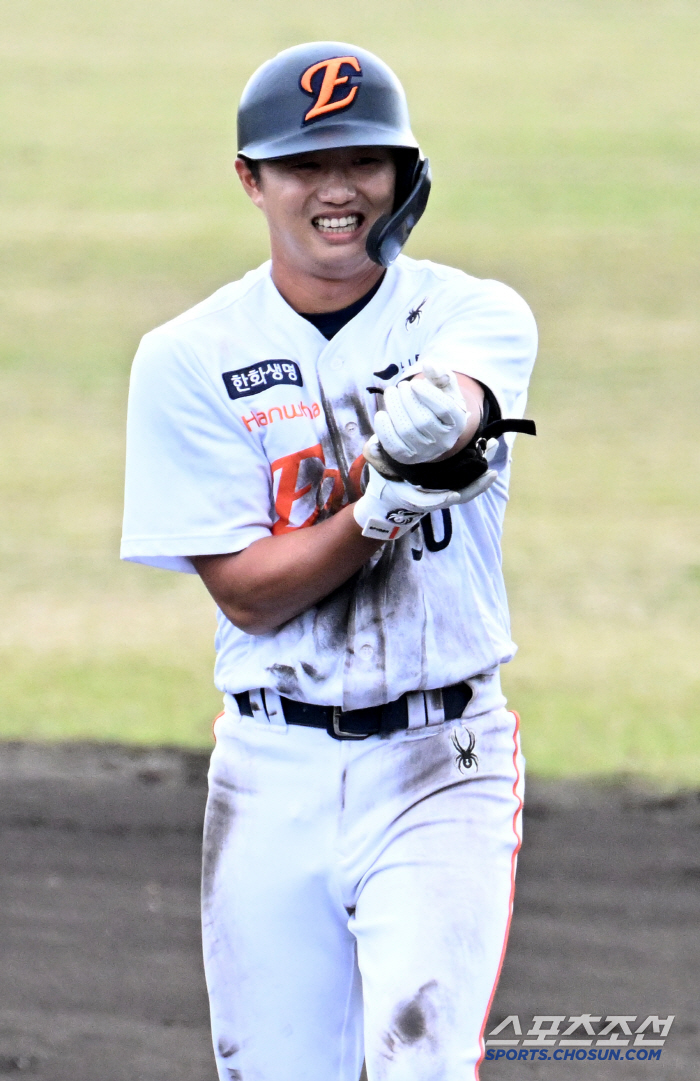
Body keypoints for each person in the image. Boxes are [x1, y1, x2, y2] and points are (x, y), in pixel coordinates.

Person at [121, 41, 537, 1081]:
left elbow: (470, 393)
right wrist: (379, 506)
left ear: (404, 173)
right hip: (271, 774)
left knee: (420, 1060)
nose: (338, 190)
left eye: (363, 161)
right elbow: (249, 597)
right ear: (251, 181)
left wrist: (439, 421)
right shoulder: (189, 355)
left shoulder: (469, 311)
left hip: (444, 761)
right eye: (304, 166)